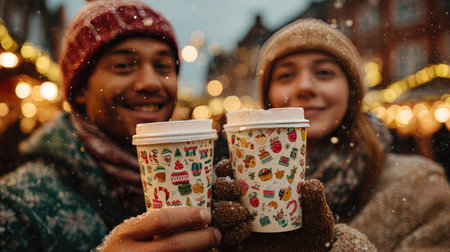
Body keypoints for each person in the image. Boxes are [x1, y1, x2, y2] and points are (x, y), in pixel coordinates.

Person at [0, 1, 221, 251]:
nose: (149, 83)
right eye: (123, 65)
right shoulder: (16, 208)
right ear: (82, 88)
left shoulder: (207, 181)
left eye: (163, 67)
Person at [250, 18, 450, 251]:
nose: (304, 86)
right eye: (285, 75)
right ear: (267, 98)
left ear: (351, 91)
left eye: (324, 72)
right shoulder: (245, 190)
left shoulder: (419, 186)